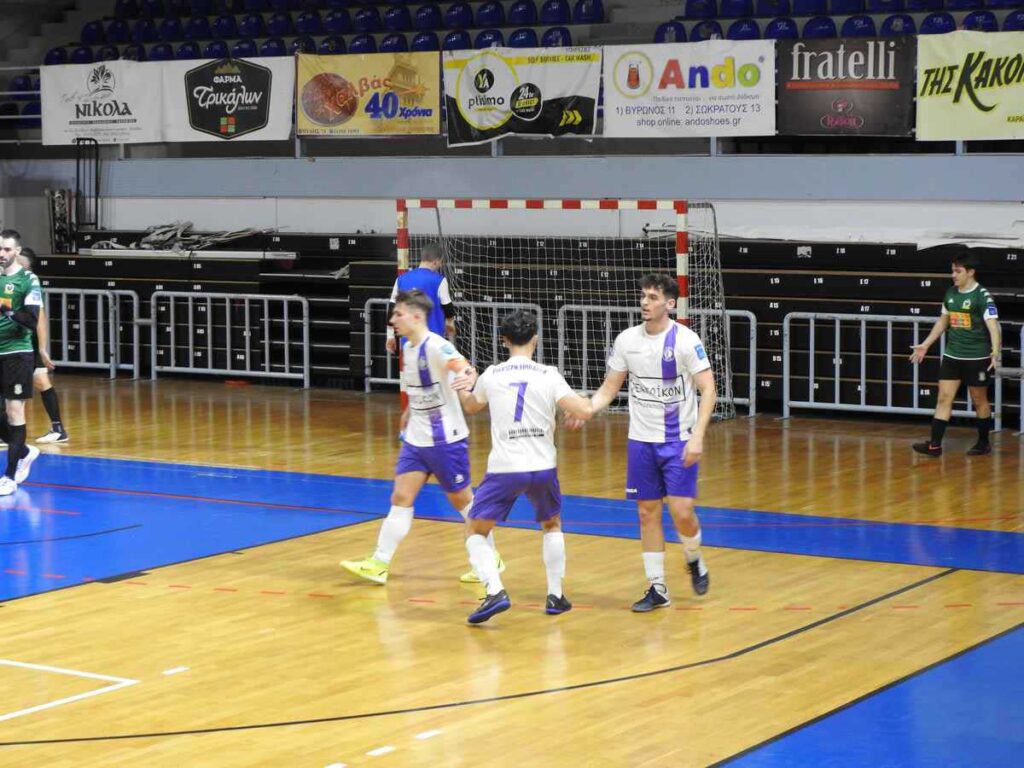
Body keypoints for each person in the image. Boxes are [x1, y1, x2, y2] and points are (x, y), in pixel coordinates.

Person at [340, 289, 502, 584]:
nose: (393, 319)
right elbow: (419, 390)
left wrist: (470, 373)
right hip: (416, 439)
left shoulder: (435, 345)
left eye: (398, 314)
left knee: (464, 503)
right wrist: (408, 414)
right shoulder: (409, 348)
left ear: (417, 317)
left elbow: (461, 364)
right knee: (401, 497)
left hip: (445, 441)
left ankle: (491, 558)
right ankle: (378, 563)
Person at [587, 273, 717, 613]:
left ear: (670, 304)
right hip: (641, 441)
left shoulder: (686, 341)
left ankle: (694, 558)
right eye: (643, 296)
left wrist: (699, 436)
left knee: (681, 510)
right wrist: (586, 410)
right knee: (647, 512)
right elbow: (609, 388)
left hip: (678, 440)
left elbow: (709, 389)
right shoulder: (626, 340)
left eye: (653, 297)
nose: (645, 302)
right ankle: (657, 587)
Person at [453, 310, 593, 624]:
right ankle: (555, 595)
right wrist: (581, 402)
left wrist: (463, 383)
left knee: (475, 530)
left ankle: (495, 591)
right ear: (535, 340)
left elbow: (471, 406)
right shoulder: (549, 374)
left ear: (503, 341)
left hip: (506, 467)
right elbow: (583, 410)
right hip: (543, 466)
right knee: (552, 524)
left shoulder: (491, 374)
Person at [910, 251, 1001, 457]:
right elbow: (943, 321)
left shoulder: (982, 296)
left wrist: (995, 352)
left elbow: (993, 326)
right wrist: (925, 344)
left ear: (970, 272)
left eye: (958, 271)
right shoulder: (951, 293)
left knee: (979, 400)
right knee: (944, 398)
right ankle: (934, 445)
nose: (953, 275)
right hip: (952, 356)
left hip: (977, 358)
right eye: (952, 271)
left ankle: (984, 442)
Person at [0, 229, 42, 495]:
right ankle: (25, 451)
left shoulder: (28, 279)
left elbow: (32, 319)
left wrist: (8, 311)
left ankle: (9, 476)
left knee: (15, 413)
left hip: (17, 353)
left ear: (16, 251)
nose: (1, 254)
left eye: (6, 249)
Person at [18, 248, 69, 443]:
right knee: (40, 381)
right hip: (15, 340)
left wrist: (42, 347)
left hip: (24, 342)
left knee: (17, 383)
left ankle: (9, 433)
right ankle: (58, 429)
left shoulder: (28, 281)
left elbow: (40, 317)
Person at [385, 242, 456, 355]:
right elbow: (448, 307)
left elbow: (391, 308)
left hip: (408, 342)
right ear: (436, 261)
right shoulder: (439, 280)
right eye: (440, 263)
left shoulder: (401, 279)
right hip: (433, 343)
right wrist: (450, 323)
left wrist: (390, 336)